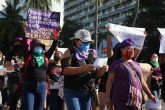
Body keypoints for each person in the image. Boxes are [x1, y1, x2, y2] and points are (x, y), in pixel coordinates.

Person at [61, 29, 109, 110]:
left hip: (87, 92)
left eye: (88, 42)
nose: (87, 44)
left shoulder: (91, 54)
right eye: (84, 42)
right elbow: (65, 70)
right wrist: (83, 69)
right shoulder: (69, 52)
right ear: (76, 41)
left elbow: (95, 75)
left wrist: (102, 70)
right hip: (72, 91)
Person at [106, 38, 156, 110]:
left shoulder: (136, 63)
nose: (132, 51)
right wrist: (108, 98)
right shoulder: (116, 64)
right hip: (121, 100)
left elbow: (142, 81)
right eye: (128, 48)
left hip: (136, 98)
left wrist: (150, 95)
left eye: (133, 49)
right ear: (122, 50)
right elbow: (110, 81)